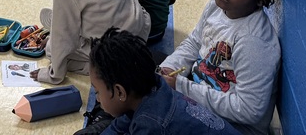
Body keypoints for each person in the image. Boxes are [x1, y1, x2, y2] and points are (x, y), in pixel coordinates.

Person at [159, 0, 281, 135]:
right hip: (200, 94)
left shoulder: (254, 42)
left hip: (233, 127)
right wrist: (170, 69)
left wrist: (181, 86)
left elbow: (250, 110)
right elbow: (194, 42)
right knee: (142, 67)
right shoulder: (218, 6)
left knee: (152, 119)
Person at [84, 29, 241, 135]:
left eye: (97, 92)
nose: (97, 99)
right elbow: (119, 125)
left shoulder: (151, 124)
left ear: (120, 92)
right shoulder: (154, 86)